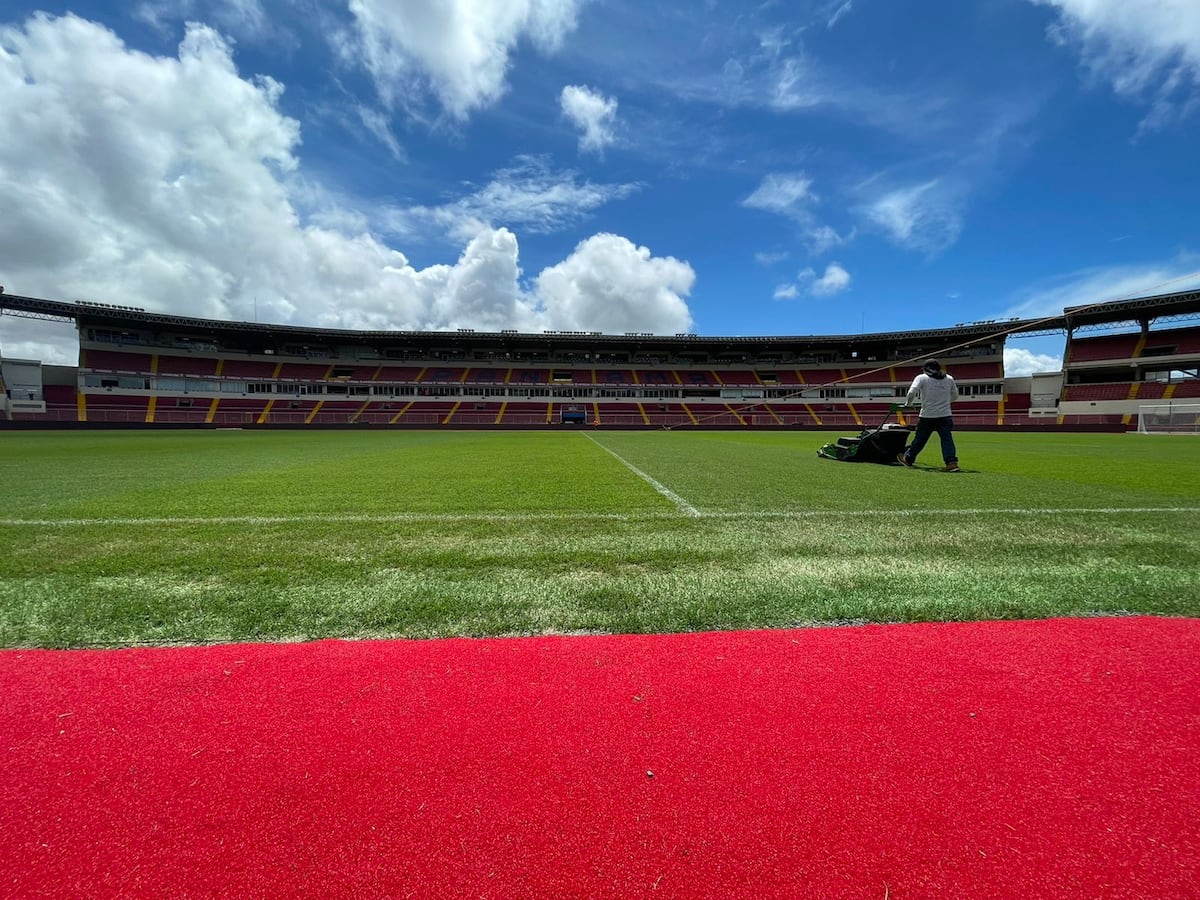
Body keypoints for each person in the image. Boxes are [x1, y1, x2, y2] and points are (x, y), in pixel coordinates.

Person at [898, 359, 960, 472]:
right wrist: (945, 403)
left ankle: (908, 459)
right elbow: (955, 395)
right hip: (945, 415)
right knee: (947, 439)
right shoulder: (949, 378)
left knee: (920, 439)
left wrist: (908, 404)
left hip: (927, 415)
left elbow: (911, 392)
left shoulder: (922, 378)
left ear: (926, 369)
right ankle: (952, 463)